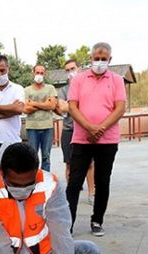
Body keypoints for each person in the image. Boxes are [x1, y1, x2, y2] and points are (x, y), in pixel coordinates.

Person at [66, 42, 127, 237]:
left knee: (103, 181)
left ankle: (97, 220)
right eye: (96, 58)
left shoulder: (117, 80)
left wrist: (100, 128)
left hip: (107, 139)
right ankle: (67, 224)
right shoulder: (79, 80)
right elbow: (72, 107)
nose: (99, 62)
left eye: (103, 59)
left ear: (110, 60)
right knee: (74, 182)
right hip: (82, 139)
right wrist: (89, 127)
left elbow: (120, 108)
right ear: (90, 58)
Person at [56, 60, 96, 204]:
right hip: (68, 130)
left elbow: (90, 106)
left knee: (90, 164)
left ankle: (92, 192)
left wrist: (71, 106)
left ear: (79, 69)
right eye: (67, 70)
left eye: (73, 68)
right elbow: (62, 107)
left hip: (85, 129)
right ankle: (71, 193)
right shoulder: (62, 90)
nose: (70, 72)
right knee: (69, 164)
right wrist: (80, 106)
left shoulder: (87, 87)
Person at [24, 64, 57, 171]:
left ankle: (45, 180)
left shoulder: (50, 88)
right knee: (32, 156)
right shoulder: (27, 90)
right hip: (32, 128)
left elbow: (52, 106)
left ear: (45, 74)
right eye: (37, 72)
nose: (39, 75)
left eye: (41, 73)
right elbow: (26, 109)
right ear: (33, 73)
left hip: (47, 127)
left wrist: (33, 103)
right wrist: (44, 104)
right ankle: (32, 180)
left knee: (46, 157)